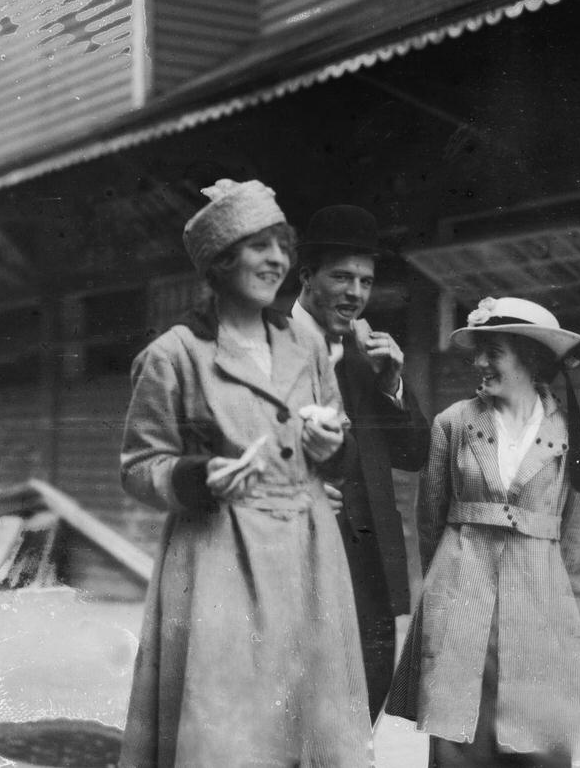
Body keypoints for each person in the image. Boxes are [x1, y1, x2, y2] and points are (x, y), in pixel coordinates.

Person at [117, 179, 372, 768]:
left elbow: (338, 436)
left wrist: (329, 443)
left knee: (311, 721)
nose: (276, 261)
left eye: (281, 247)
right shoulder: (175, 354)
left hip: (309, 553)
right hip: (218, 557)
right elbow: (139, 466)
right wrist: (197, 476)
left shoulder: (303, 340)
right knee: (229, 728)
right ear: (220, 259)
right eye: (259, 247)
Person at [385, 295, 580, 767]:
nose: (480, 363)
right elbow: (431, 518)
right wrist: (447, 586)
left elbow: (573, 528)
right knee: (459, 742)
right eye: (478, 352)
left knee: (537, 740)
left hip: (538, 605)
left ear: (530, 359)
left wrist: (540, 580)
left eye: (494, 353)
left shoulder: (577, 438)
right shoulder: (454, 424)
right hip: (460, 600)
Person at [291, 204, 431, 721]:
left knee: (364, 707)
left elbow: (415, 455)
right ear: (306, 275)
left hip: (369, 564)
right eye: (341, 276)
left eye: (366, 281)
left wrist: (391, 381)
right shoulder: (267, 347)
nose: (355, 292)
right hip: (293, 556)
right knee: (298, 716)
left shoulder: (366, 353)